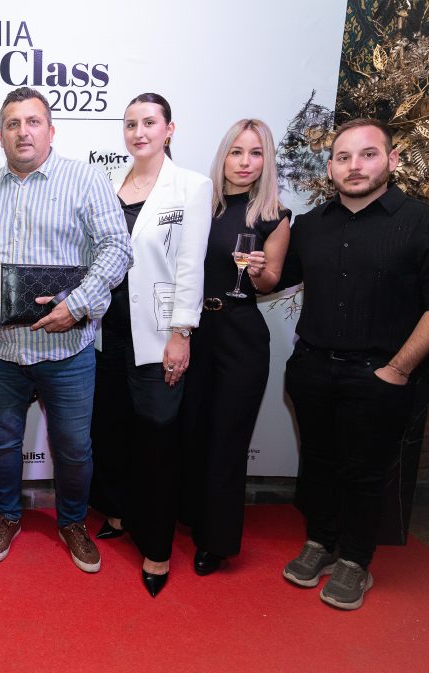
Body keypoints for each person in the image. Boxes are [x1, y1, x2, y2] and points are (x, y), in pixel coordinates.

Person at [279, 118, 429, 610]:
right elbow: (276, 279)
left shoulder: (427, 224)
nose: (355, 166)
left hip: (380, 373)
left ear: (392, 160)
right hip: (312, 368)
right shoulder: (311, 225)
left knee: (365, 473)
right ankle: (321, 542)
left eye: (367, 154)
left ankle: (355, 560)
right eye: (343, 157)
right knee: (318, 463)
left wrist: (398, 370)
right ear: (330, 168)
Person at [0, 87, 132, 574]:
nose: (23, 132)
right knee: (0, 443)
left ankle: (72, 521)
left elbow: (118, 249)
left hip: (67, 349)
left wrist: (77, 305)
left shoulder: (86, 180)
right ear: (0, 136)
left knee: (74, 448)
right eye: (13, 124)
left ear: (51, 131)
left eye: (33, 122)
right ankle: (7, 515)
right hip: (1, 349)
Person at [88, 93, 211, 596]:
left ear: (169, 129)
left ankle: (157, 549)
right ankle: (118, 512)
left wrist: (182, 333)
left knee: (158, 440)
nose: (139, 132)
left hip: (159, 337)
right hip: (104, 334)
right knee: (111, 431)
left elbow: (190, 265)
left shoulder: (192, 187)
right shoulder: (107, 187)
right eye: (130, 124)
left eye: (149, 123)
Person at [176, 119, 290, 577]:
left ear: (267, 161)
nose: (245, 162)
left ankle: (216, 541)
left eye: (256, 153)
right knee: (190, 430)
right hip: (194, 329)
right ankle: (189, 512)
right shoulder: (200, 204)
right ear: (223, 155)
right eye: (236, 152)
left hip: (240, 335)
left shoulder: (274, 215)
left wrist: (259, 270)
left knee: (227, 439)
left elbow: (270, 282)